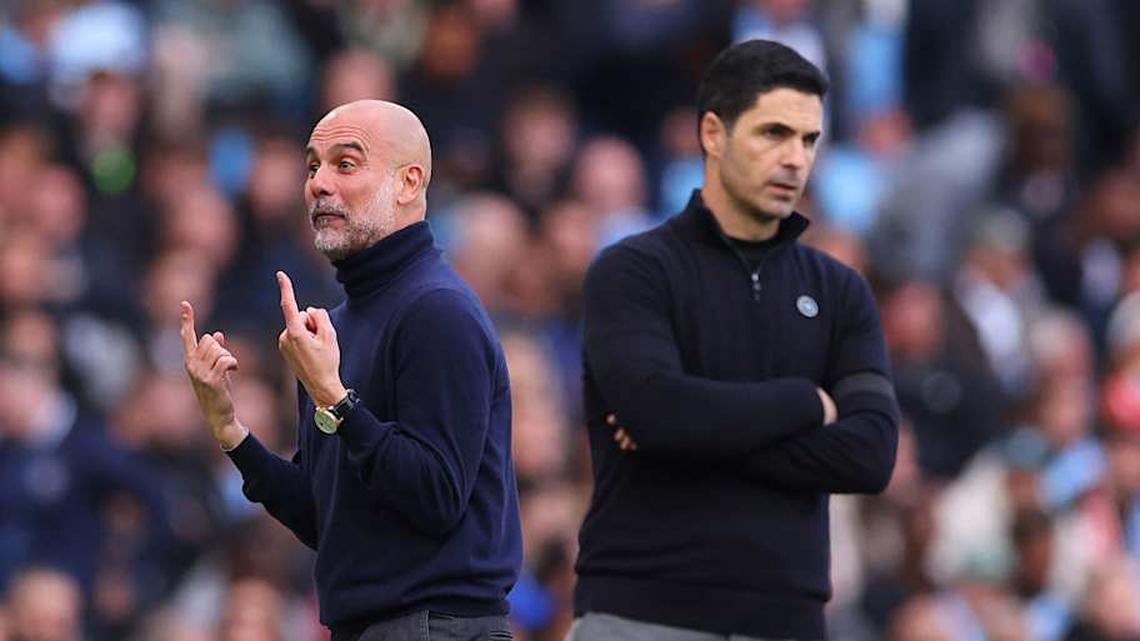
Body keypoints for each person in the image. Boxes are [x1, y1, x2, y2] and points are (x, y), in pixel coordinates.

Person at [571, 40, 900, 641]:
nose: (796, 159)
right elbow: (658, 414)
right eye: (773, 133)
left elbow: (872, 453)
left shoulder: (841, 291)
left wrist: (688, 431)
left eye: (808, 140)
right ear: (713, 133)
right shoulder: (633, 271)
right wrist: (806, 404)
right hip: (640, 615)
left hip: (787, 622)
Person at [180, 100, 521, 641]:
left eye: (345, 163)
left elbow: (435, 496)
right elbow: (328, 519)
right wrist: (232, 433)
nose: (318, 184)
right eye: (312, 166)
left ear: (409, 183)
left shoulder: (437, 310)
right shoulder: (334, 329)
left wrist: (334, 397)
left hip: (437, 628)